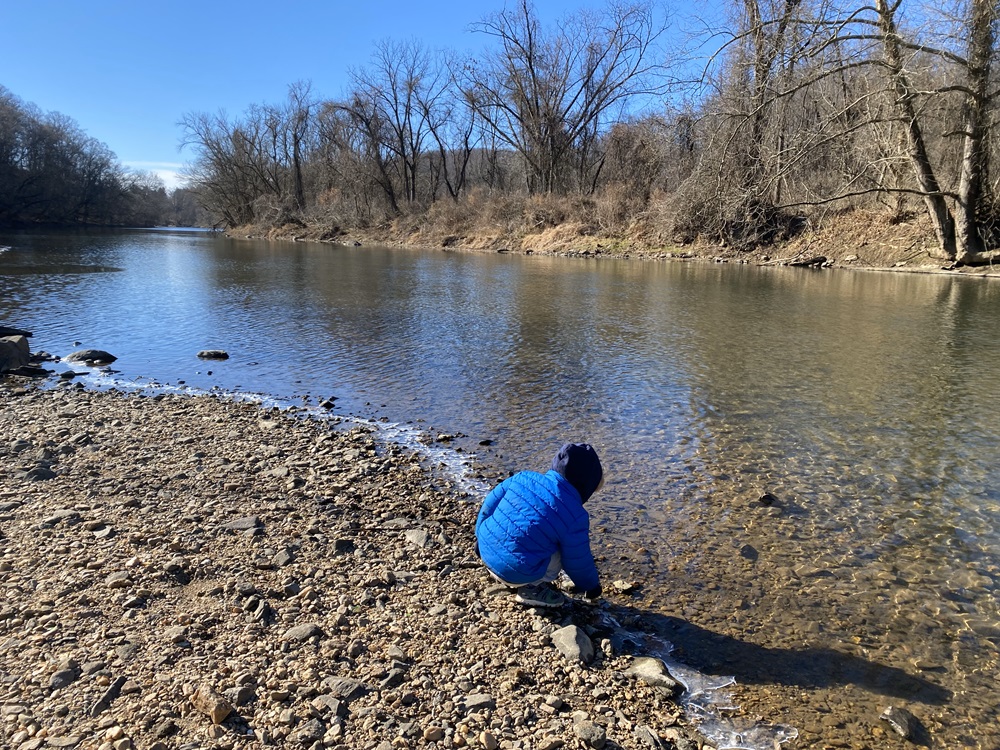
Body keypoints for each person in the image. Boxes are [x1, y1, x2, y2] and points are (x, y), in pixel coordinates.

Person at [476, 442, 604, 607]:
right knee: (564, 548)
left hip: (486, 552)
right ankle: (532, 588)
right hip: (516, 573)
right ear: (587, 485)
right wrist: (590, 586)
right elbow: (578, 559)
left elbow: (488, 507)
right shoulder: (575, 515)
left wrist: (479, 537)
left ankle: (503, 568)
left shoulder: (523, 477)